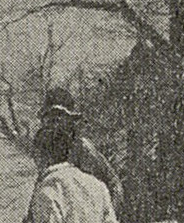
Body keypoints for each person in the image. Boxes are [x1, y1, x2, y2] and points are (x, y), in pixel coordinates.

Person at [41, 87, 124, 215]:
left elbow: (114, 184)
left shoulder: (82, 147)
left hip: (91, 216)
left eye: (58, 119)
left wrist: (108, 217)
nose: (54, 125)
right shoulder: (46, 151)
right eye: (50, 120)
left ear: (69, 120)